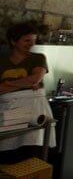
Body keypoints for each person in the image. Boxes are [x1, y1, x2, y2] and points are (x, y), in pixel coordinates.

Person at [0, 21, 52, 163]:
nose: (31, 44)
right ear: (13, 41)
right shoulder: (2, 61)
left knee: (31, 154)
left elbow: (34, 80)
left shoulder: (38, 58)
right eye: (27, 40)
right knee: (7, 154)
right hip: (8, 111)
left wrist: (8, 83)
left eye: (33, 40)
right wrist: (25, 82)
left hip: (34, 110)